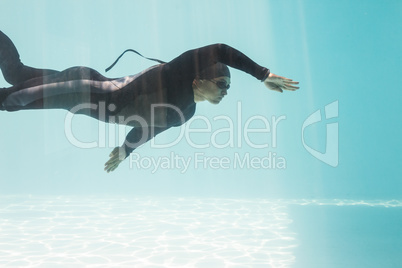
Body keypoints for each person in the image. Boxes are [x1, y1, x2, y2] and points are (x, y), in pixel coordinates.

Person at [0, 31, 299, 172]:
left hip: (80, 99)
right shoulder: (175, 75)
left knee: (16, 72)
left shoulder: (187, 113)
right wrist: (262, 74)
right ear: (199, 79)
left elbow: (148, 128)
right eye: (222, 83)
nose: (226, 90)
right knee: (12, 99)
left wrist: (125, 150)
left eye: (229, 87)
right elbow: (219, 49)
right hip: (82, 87)